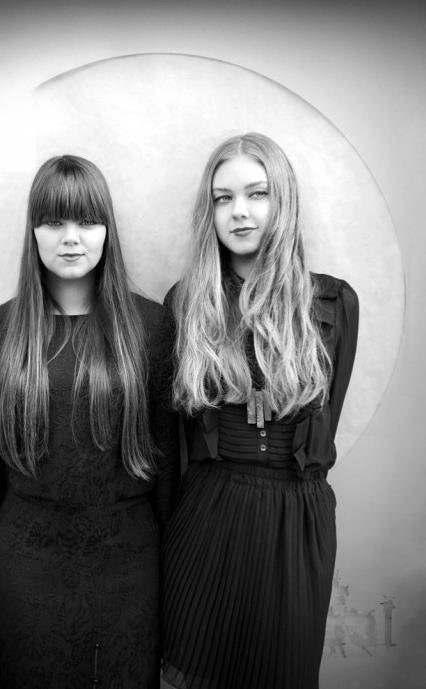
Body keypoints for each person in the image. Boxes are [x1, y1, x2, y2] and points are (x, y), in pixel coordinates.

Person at [0, 155, 178, 688]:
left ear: (107, 230)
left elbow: (168, 468)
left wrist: (172, 586)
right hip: (26, 564)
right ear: (32, 231)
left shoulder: (152, 327)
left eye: (87, 221)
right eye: (53, 221)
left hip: (130, 567)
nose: (70, 238)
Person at [162, 133, 359, 689]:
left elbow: (325, 425)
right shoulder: (186, 303)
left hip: (295, 521)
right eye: (223, 198)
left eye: (257, 193)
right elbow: (176, 439)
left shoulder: (334, 303)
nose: (239, 212)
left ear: (283, 201)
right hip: (206, 518)